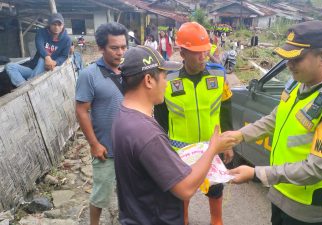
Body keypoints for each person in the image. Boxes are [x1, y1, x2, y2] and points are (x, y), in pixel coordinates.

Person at [226, 21, 322, 225]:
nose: (289, 65)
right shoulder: (297, 84)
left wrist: (257, 173)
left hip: (308, 208)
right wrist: (239, 135)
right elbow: (274, 118)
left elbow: (316, 169)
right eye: (287, 58)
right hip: (282, 191)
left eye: (297, 59)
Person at [112, 45, 236, 225]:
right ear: (148, 80)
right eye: (163, 76)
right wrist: (212, 150)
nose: (166, 82)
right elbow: (185, 188)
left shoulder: (124, 116)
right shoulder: (148, 135)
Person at [154, 22, 234, 225]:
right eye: (197, 53)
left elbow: (226, 108)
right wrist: (163, 151)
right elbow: (161, 119)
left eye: (205, 52)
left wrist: (228, 142)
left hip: (211, 149)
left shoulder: (218, 75)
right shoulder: (168, 81)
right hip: (180, 153)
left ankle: (216, 221)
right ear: (182, 52)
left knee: (215, 191)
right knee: (183, 195)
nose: (203, 57)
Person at [75, 22, 128, 225]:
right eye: (114, 48)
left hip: (130, 147)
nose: (120, 52)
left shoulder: (128, 70)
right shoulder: (89, 75)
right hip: (107, 149)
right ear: (101, 47)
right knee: (101, 194)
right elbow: (81, 110)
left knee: (130, 192)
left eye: (123, 47)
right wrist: (94, 144)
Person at [6, 13, 71, 87]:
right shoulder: (42, 32)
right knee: (10, 66)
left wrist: (54, 62)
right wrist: (47, 57)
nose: (56, 27)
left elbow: (64, 56)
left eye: (59, 25)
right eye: (54, 24)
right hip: (34, 69)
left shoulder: (67, 40)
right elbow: (39, 45)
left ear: (63, 25)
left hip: (48, 69)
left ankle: (29, 85)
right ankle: (24, 86)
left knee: (42, 60)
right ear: (49, 24)